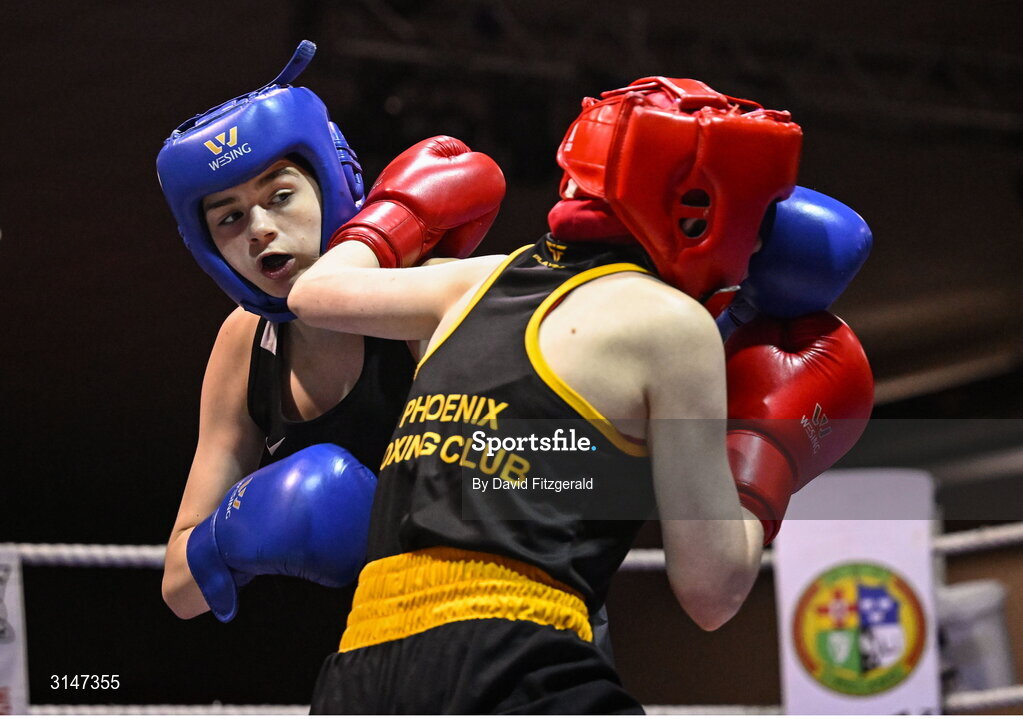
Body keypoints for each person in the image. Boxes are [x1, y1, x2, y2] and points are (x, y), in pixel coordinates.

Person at [287, 76, 875, 712]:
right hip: (513, 661)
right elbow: (710, 590)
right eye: (758, 213)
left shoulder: (477, 283)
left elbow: (315, 296)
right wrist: (770, 456)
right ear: (700, 207)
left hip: (357, 675)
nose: (760, 240)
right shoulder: (672, 326)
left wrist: (395, 217)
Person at [154, 41, 503, 625]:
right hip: (373, 648)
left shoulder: (424, 298)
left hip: (499, 625)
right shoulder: (246, 344)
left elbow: (563, 475)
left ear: (334, 187)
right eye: (230, 217)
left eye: (280, 196)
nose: (260, 229)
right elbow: (180, 586)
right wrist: (235, 533)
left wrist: (383, 518)